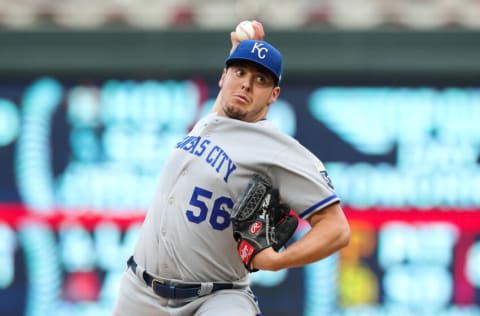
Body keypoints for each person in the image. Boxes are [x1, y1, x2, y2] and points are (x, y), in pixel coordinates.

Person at [113, 21, 350, 316]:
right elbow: (231, 97)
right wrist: (242, 47)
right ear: (223, 76)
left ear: (273, 95)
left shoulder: (276, 148)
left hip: (216, 298)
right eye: (240, 72)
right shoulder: (212, 119)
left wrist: (278, 261)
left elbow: (336, 228)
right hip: (140, 292)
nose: (246, 84)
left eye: (260, 80)